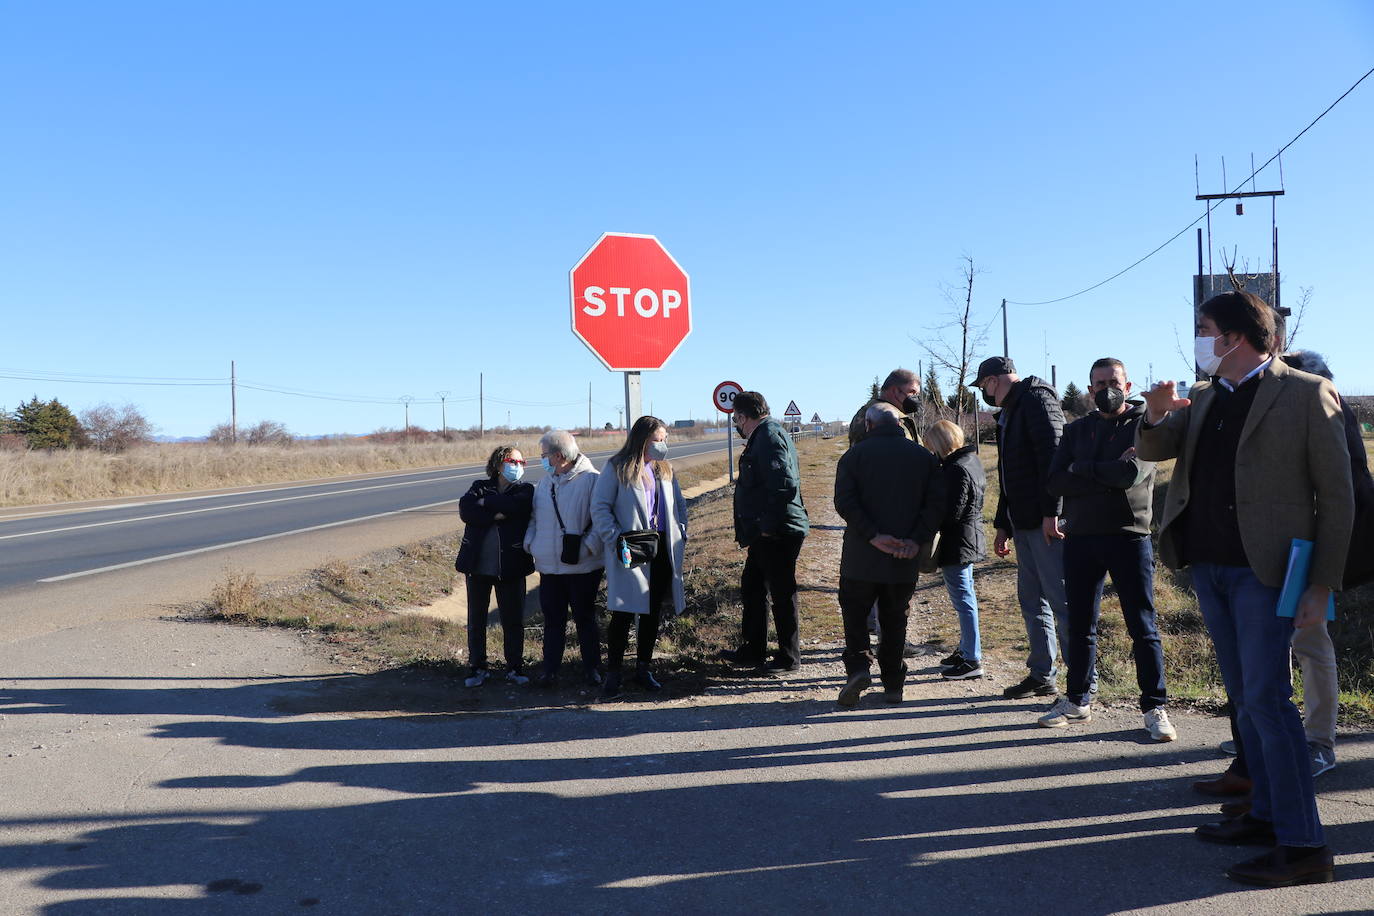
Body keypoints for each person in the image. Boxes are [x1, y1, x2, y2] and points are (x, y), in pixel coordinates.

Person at [1138, 290, 1353, 887]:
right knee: (1246, 700)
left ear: (1234, 337)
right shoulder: (1207, 397)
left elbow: (1338, 498)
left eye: (1204, 329)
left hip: (1271, 573)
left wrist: (1323, 584)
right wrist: (1154, 414)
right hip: (1210, 567)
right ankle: (1263, 815)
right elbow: (1152, 448)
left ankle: (1304, 845)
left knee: (1268, 702)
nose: (1198, 338)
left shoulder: (1307, 393)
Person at [1198, 348, 1370, 799]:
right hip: (1270, 548)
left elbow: (1346, 487)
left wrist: (1327, 560)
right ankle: (1273, 737)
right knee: (1273, 649)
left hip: (1306, 547)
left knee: (1311, 641)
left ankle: (1318, 743)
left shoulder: (1317, 397)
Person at [1042, 358, 1175, 741]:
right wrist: (1100, 470)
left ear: (1128, 385)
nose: (1105, 389)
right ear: (1089, 390)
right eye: (1098, 384)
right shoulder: (1076, 430)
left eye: (1112, 382)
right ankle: (1077, 700)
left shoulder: (1143, 427)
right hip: (1081, 537)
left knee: (1142, 626)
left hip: (1129, 536)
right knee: (1081, 625)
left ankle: (1154, 707)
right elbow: (1054, 482)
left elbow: (1131, 475)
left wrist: (1081, 471)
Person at [969, 355, 1075, 701]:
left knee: (1062, 602)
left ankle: (1082, 682)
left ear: (996, 380)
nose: (984, 392)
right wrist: (1003, 525)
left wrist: (1053, 512)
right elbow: (1010, 474)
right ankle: (1043, 674)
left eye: (984, 385)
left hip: (1046, 522)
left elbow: (1055, 456)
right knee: (1033, 600)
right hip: (1024, 521)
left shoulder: (1037, 399)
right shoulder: (1012, 409)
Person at [833, 403, 943, 707]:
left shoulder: (853, 457)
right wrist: (915, 539)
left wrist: (874, 536)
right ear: (900, 424)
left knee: (855, 616)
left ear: (868, 425)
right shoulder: (924, 458)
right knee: (895, 621)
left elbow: (845, 503)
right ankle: (894, 683)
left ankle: (857, 669)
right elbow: (935, 506)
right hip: (904, 557)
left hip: (860, 556)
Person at [590, 415, 687, 700]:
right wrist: (615, 539)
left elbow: (679, 504)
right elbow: (600, 508)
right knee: (622, 612)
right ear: (642, 439)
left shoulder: (664, 469)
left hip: (661, 548)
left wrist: (682, 529)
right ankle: (614, 673)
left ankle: (643, 668)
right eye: (658, 439)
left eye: (664, 439)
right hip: (630, 549)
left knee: (651, 611)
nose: (662, 444)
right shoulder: (617, 467)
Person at [723, 391, 810, 672]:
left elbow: (784, 484)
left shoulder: (770, 436)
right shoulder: (762, 436)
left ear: (744, 416)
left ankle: (788, 657)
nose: (736, 422)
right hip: (765, 530)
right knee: (752, 587)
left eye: (736, 417)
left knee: (781, 592)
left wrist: (768, 527)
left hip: (777, 531)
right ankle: (753, 650)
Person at [848, 368, 924, 658]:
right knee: (891, 580)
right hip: (891, 505)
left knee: (871, 574)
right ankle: (892, 642)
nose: (915, 400)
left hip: (869, 504)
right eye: (912, 394)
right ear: (895, 391)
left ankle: (871, 637)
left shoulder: (865, 412)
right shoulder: (892, 417)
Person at [525, 430, 604, 689]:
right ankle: (549, 671)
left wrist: (587, 548)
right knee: (553, 621)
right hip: (550, 567)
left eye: (544, 455)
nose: (542, 460)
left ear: (559, 456)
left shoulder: (592, 480)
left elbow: (601, 521)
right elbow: (535, 518)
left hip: (583, 567)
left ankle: (592, 668)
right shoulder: (545, 483)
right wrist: (531, 543)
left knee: (585, 619)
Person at [456, 444, 535, 687]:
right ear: (499, 464)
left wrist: (486, 504)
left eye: (522, 463)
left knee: (512, 621)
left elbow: (516, 508)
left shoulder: (525, 490)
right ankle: (477, 668)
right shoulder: (479, 485)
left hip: (511, 566)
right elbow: (466, 510)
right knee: (476, 621)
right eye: (513, 462)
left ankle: (514, 667)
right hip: (477, 565)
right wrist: (495, 511)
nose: (518, 467)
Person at [921, 419, 987, 681]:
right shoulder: (972, 461)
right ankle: (966, 649)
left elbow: (952, 512)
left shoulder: (956, 469)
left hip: (958, 543)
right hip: (969, 539)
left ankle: (972, 659)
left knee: (964, 601)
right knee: (966, 598)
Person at [848, 368, 922, 446]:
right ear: (894, 391)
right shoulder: (874, 416)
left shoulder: (899, 416)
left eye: (917, 394)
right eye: (912, 392)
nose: (915, 398)